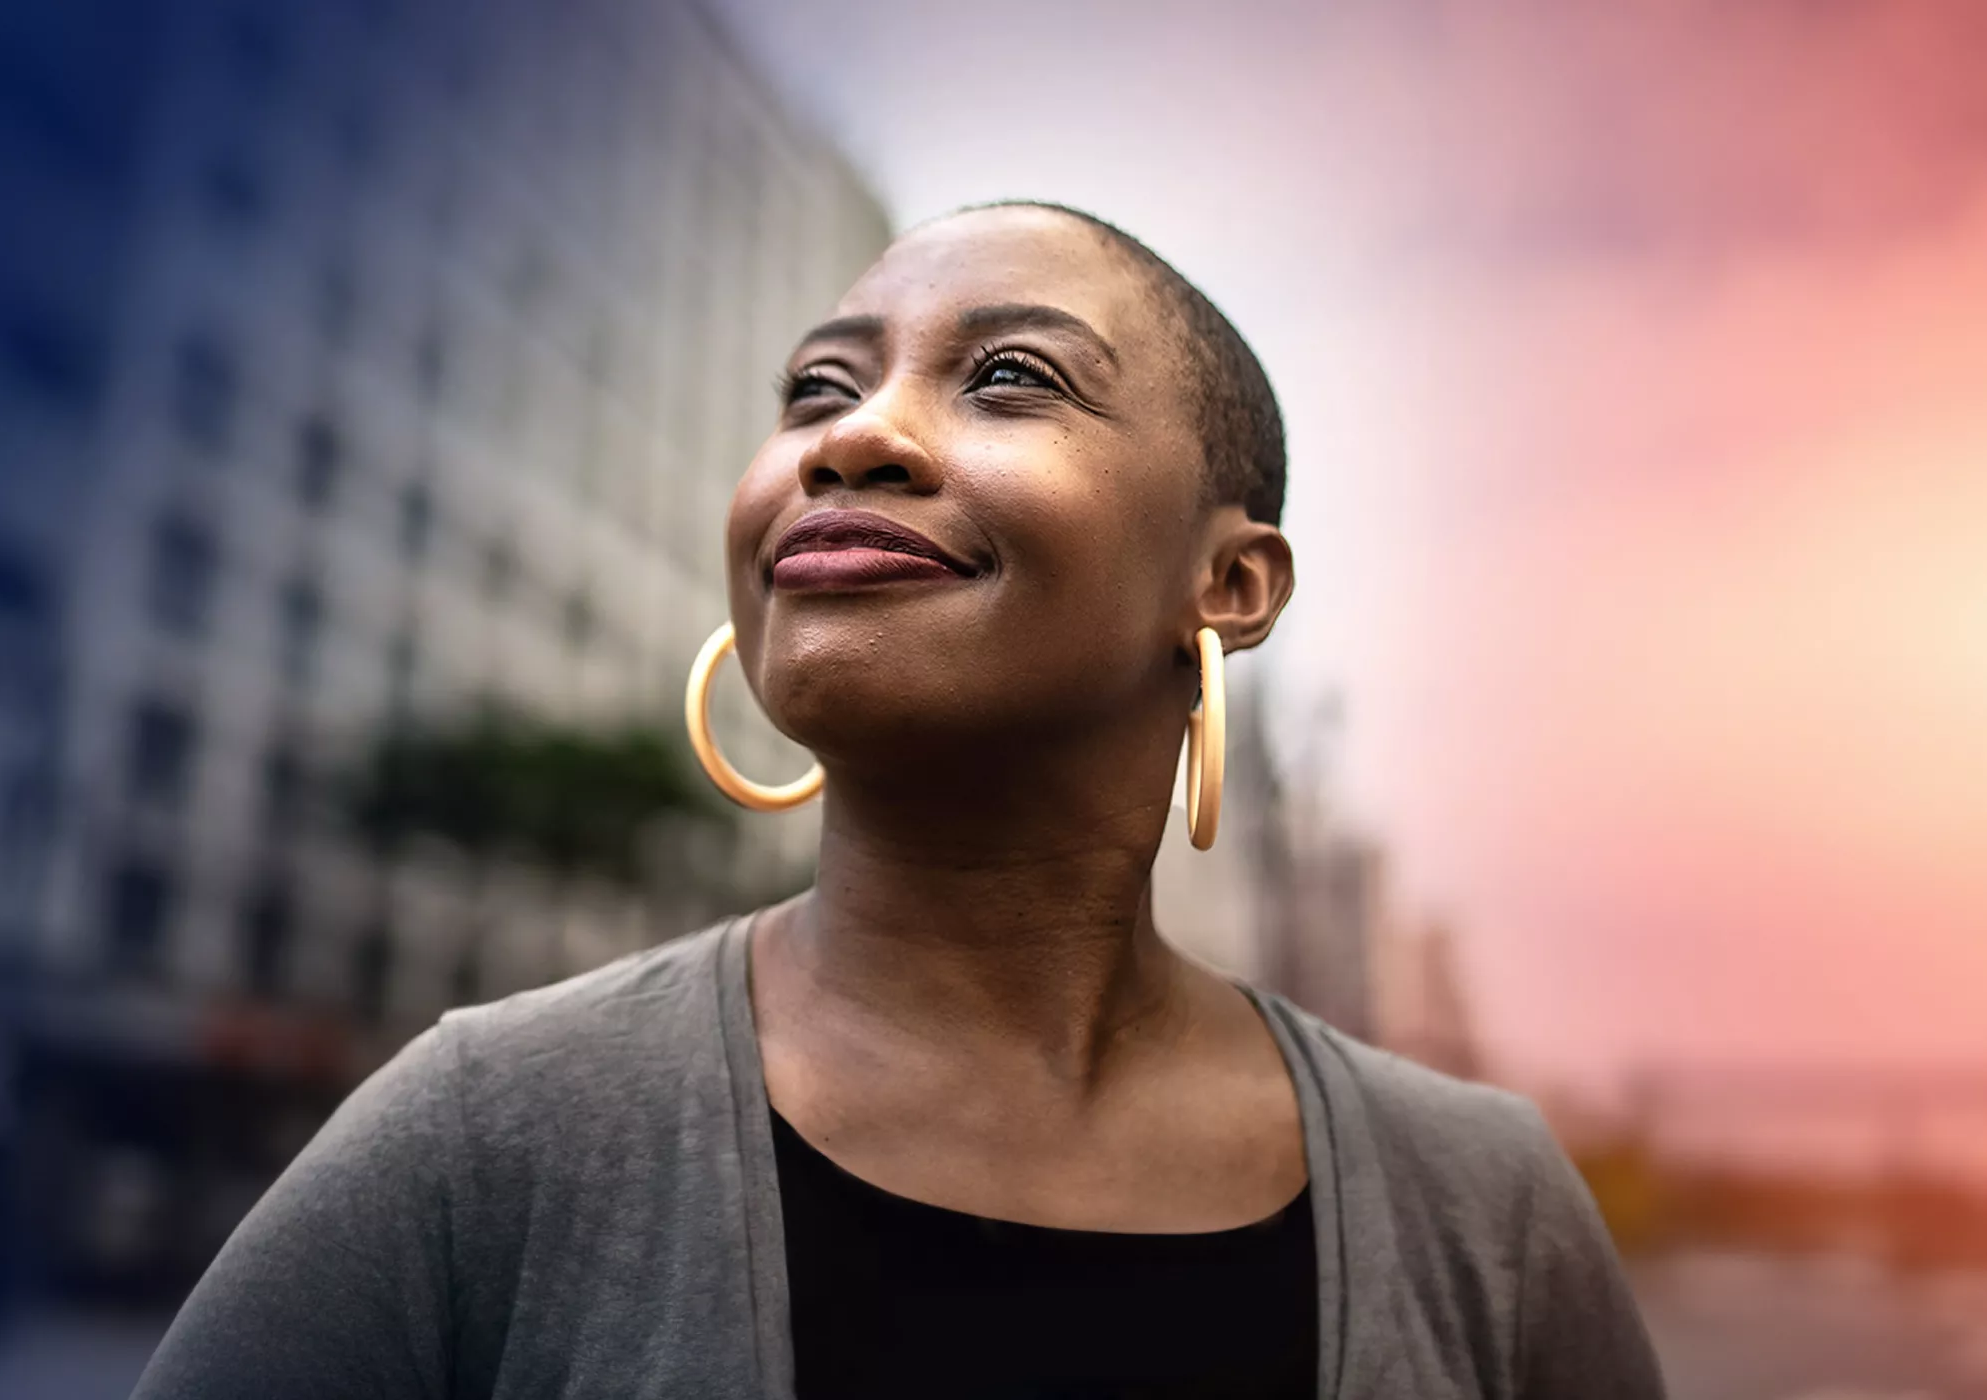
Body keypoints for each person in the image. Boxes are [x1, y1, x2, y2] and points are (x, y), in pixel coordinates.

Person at [129, 202, 1664, 1399]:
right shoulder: (491, 1137)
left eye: (1009, 377)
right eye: (815, 390)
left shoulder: (1489, 1211)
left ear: (1231, 580)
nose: (850, 438)